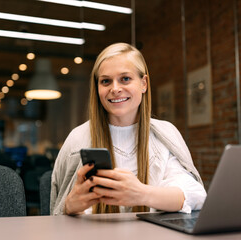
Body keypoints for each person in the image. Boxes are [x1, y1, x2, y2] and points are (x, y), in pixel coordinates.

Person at [50, 43, 207, 215]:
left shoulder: (164, 135)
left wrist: (141, 194)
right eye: (105, 81)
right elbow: (56, 211)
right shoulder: (77, 139)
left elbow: (195, 195)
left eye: (125, 78)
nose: (115, 89)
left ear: (144, 83)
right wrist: (69, 206)